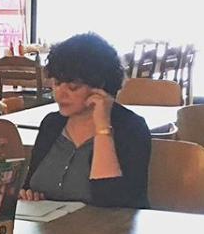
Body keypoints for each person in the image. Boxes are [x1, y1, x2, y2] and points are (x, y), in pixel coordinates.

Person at [20, 32, 151, 208]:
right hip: (50, 223)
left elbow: (112, 203)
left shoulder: (131, 128)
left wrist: (103, 128)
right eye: (57, 83)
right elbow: (31, 185)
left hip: (109, 225)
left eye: (73, 87)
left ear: (100, 86)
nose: (60, 94)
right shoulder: (52, 123)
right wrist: (29, 194)